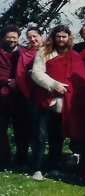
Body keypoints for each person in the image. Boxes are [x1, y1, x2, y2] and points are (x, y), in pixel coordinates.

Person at [31, 25, 85, 180]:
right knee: (40, 135)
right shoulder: (44, 52)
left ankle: (53, 167)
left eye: (64, 37)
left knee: (57, 136)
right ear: (54, 37)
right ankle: (37, 168)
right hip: (46, 99)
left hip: (64, 103)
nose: (61, 39)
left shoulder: (74, 55)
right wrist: (53, 84)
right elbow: (36, 73)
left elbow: (80, 80)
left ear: (69, 38)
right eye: (59, 36)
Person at [0, 24, 31, 168]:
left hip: (19, 96)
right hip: (2, 95)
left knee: (21, 129)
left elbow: (28, 71)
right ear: (4, 37)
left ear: (19, 38)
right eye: (9, 37)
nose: (11, 40)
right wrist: (6, 80)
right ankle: (4, 158)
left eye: (14, 37)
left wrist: (17, 81)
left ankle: (21, 159)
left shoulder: (24, 52)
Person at [16, 27, 44, 172]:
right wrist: (27, 96)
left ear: (41, 36)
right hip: (32, 97)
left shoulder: (48, 51)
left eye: (35, 36)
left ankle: (52, 161)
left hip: (48, 96)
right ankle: (35, 163)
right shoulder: (25, 55)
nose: (33, 40)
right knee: (35, 131)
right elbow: (20, 77)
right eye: (30, 37)